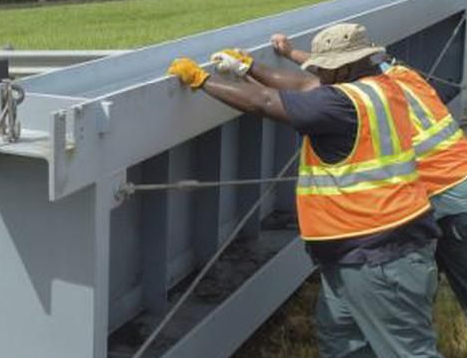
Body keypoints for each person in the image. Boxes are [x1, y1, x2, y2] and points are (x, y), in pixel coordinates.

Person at [168, 23, 442, 358]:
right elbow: (304, 86)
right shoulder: (383, 86)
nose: (320, 76)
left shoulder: (342, 105)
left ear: (343, 68)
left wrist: (203, 81)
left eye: (325, 69)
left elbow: (266, 101)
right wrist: (248, 68)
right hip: (363, 252)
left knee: (408, 352)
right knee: (341, 343)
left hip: (379, 258)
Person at [271, 32, 467, 358]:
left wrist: (261, 65)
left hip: (445, 197)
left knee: (409, 291)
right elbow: (332, 70)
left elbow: (312, 86)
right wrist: (293, 52)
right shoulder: (399, 74)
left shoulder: (367, 99)